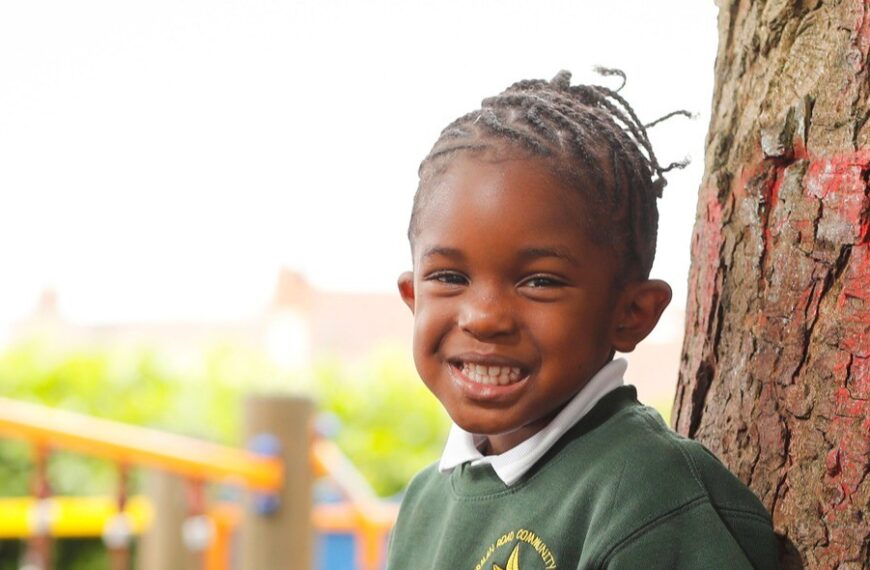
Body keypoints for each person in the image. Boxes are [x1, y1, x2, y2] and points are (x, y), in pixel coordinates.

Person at [386, 70, 779, 569]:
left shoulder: (646, 497)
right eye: (449, 277)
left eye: (539, 282)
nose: (483, 318)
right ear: (413, 297)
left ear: (631, 314)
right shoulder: (424, 505)